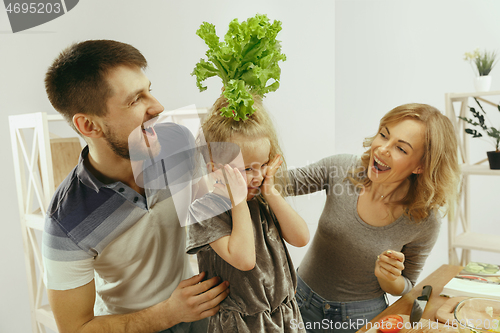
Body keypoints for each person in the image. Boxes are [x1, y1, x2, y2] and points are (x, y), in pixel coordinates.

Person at [42, 39, 229, 333]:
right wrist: (168, 313)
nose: (157, 107)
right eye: (135, 100)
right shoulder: (65, 222)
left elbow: (218, 209)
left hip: (201, 312)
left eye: (149, 90)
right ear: (89, 126)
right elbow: (75, 328)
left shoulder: (175, 142)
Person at [288, 103, 461, 333]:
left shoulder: (424, 220)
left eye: (401, 148)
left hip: (360, 317)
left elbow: (406, 283)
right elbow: (279, 183)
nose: (381, 149)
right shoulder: (341, 169)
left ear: (420, 166)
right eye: (383, 135)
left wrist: (388, 278)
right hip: (300, 301)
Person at [186, 95, 310, 333]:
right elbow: (244, 259)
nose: (258, 175)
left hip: (284, 314)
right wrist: (239, 202)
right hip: (242, 324)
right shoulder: (205, 209)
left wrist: (271, 192)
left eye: (263, 165)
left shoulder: (262, 197)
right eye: (246, 169)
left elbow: (301, 237)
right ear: (215, 170)